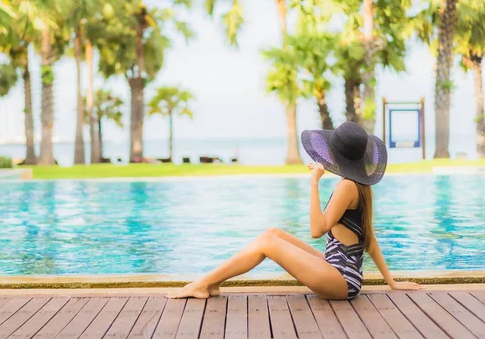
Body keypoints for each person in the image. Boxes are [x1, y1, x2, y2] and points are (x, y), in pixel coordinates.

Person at [168, 122, 421, 300]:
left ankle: (201, 284)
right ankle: (212, 283)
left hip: (341, 280)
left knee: (267, 242)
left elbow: (316, 230)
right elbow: (371, 239)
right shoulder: (362, 186)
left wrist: (313, 183)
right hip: (343, 273)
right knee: (273, 233)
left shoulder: (347, 186)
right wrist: (392, 283)